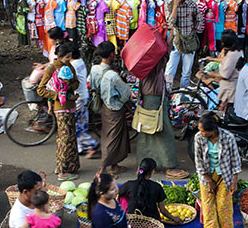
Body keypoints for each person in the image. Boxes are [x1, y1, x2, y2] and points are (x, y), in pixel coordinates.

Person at [192, 115, 242, 228]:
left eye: (203, 131)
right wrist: (209, 180)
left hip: (225, 175)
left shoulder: (228, 137)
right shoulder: (198, 138)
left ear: (213, 130)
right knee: (208, 207)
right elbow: (199, 162)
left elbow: (235, 160)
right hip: (206, 176)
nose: (201, 133)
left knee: (223, 206)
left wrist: (234, 181)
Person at [135, 57, 187, 178]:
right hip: (153, 100)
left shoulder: (144, 62)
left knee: (148, 133)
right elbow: (165, 58)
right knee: (164, 133)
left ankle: (146, 165)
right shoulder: (152, 62)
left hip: (152, 99)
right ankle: (170, 165)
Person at [91, 41, 134, 175]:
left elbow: (93, 86)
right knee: (114, 139)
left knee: (108, 136)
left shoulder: (94, 69)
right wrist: (122, 101)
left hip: (104, 107)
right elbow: (126, 93)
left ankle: (114, 166)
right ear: (111, 54)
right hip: (115, 109)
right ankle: (103, 167)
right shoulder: (113, 76)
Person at [39, 47, 80, 179]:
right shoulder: (51, 69)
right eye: (66, 57)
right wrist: (59, 94)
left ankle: (68, 166)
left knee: (70, 138)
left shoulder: (69, 67)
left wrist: (68, 88)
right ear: (58, 56)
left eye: (70, 57)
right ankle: (62, 172)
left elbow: (76, 83)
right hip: (60, 108)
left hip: (70, 106)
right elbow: (41, 90)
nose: (69, 60)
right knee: (65, 139)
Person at [120, 159, 182, 223]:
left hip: (132, 223)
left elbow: (116, 194)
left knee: (122, 197)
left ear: (139, 168)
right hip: (152, 225)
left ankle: (126, 215)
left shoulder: (128, 184)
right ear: (153, 171)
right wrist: (173, 218)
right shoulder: (157, 187)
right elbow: (162, 210)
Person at [165, 0, 202, 88]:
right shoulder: (169, 5)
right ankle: (168, 91)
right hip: (175, 42)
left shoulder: (191, 4)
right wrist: (175, 6)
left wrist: (195, 31)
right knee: (170, 70)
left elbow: (199, 19)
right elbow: (170, 22)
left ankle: (183, 93)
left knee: (186, 71)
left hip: (189, 42)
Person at [67, 42, 99, 159]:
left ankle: (91, 145)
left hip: (79, 98)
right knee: (81, 123)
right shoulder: (80, 62)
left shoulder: (73, 66)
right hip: (83, 95)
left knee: (77, 125)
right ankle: (80, 147)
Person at [203, 31, 242, 111]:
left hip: (230, 88)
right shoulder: (238, 51)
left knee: (224, 109)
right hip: (232, 85)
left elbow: (225, 75)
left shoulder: (232, 55)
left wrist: (212, 74)